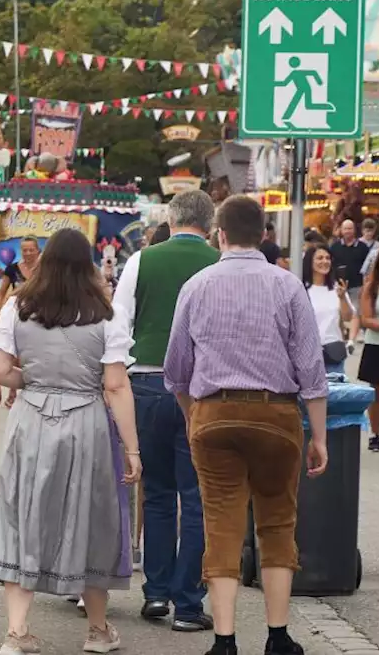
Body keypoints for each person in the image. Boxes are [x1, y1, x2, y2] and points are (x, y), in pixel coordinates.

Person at [165, 195, 328, 655]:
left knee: (220, 524)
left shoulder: (196, 286)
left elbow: (176, 369)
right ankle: (277, 637)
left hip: (213, 414)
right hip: (276, 414)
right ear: (263, 235)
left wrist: (194, 413)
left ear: (219, 233)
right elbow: (311, 368)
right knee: (277, 522)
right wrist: (318, 435)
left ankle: (224, 639)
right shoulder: (287, 286)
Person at [0, 228, 141, 655]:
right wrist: (132, 448)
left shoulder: (19, 306)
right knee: (91, 518)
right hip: (85, 420)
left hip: (30, 418)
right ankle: (97, 630)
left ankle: (16, 633)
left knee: (21, 515)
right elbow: (115, 385)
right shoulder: (107, 313)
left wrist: (29, 379)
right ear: (88, 265)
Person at [111, 189, 219, 632]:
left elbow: (119, 326)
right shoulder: (219, 263)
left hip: (149, 382)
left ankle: (155, 594)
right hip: (204, 389)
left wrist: (115, 383)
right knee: (197, 498)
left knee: (155, 493)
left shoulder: (142, 260)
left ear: (170, 220)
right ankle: (189, 603)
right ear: (210, 225)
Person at [302, 245, 355, 376]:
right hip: (309, 353)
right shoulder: (302, 289)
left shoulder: (336, 288)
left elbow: (348, 317)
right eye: (319, 258)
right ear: (310, 262)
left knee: (335, 394)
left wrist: (342, 298)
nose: (324, 261)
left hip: (333, 353)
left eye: (327, 258)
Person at [359, 246, 379, 452]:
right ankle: (375, 434)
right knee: (377, 393)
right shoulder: (372, 286)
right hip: (377, 345)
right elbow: (366, 319)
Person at [330, 219, 368, 341]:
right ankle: (342, 332)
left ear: (354, 230)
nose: (347, 231)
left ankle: (356, 332)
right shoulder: (334, 247)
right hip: (339, 285)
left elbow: (367, 267)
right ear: (341, 230)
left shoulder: (362, 247)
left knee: (356, 310)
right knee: (340, 310)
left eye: (350, 228)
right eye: (345, 228)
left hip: (357, 285)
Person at [0, 237, 40, 305]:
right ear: (20, 251)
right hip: (17, 309)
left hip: (40, 310)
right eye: (25, 250)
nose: (28, 253)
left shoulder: (45, 268)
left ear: (37, 250)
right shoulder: (11, 268)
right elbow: (1, 292)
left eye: (31, 250)